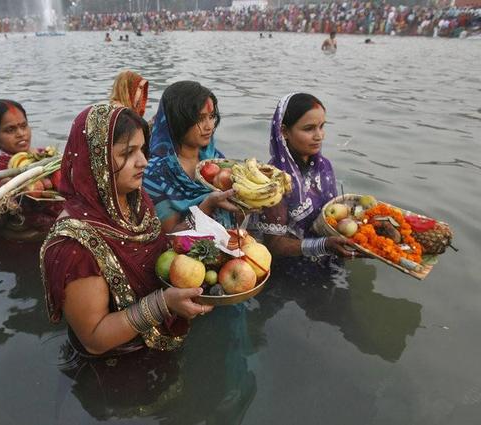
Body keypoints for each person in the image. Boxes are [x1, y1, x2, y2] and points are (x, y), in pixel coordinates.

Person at [41, 104, 211, 357]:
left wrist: (208, 210)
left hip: (157, 346)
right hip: (115, 367)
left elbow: (160, 253)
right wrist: (162, 304)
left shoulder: (135, 200)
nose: (143, 161)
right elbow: (94, 339)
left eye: (142, 149)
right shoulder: (74, 246)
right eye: (127, 153)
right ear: (96, 161)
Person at [252, 93, 354, 260]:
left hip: (331, 254)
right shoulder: (274, 180)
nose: (319, 135)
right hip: (291, 269)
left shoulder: (324, 166)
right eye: (309, 129)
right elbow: (273, 245)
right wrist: (323, 245)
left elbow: (333, 215)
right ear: (284, 131)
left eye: (322, 126)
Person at [143, 81, 238, 232]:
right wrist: (207, 206)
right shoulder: (155, 173)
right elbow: (169, 237)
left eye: (212, 116)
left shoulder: (216, 159)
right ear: (177, 121)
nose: (209, 126)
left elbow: (234, 217)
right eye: (200, 119)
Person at [0, 99, 61, 242]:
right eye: (10, 130)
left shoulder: (44, 157)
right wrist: (12, 196)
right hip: (13, 251)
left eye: (24, 126)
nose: (21, 134)